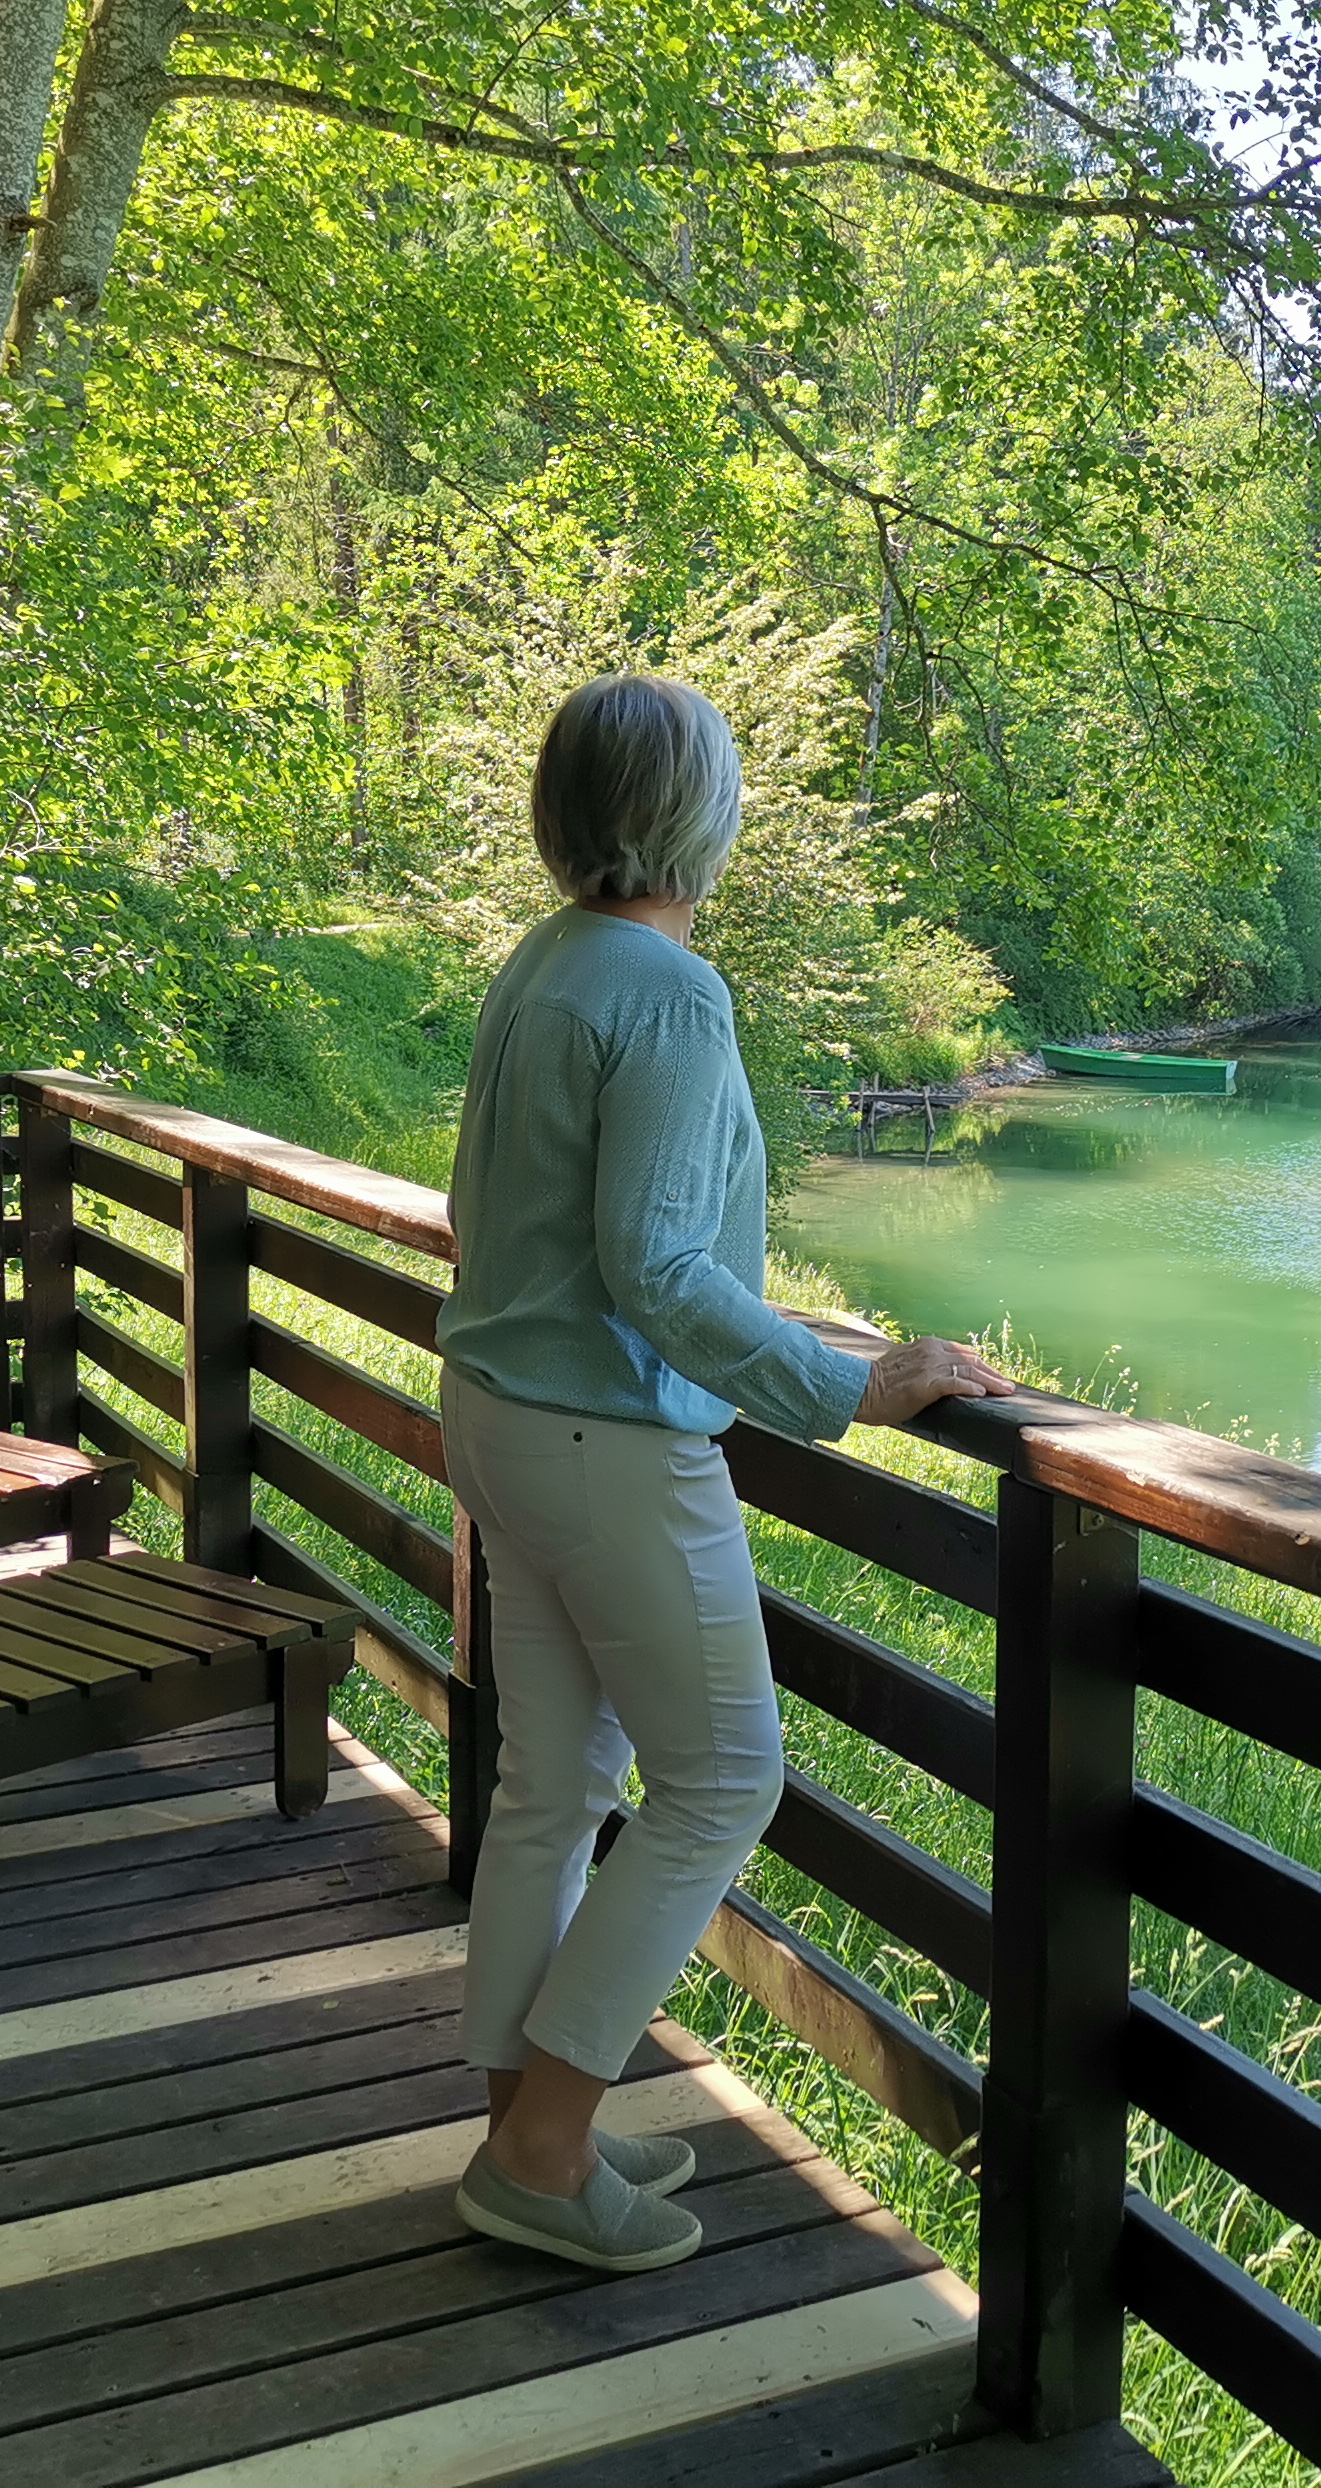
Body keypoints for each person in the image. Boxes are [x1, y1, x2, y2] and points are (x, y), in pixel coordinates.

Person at [437, 671, 1015, 2274]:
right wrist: (851, 1387)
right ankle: (544, 2151)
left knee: (553, 1788)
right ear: (703, 815)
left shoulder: (543, 961)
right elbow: (659, 1273)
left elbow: (513, 1217)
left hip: (494, 1404)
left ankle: (519, 2130)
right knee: (722, 1781)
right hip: (607, 1438)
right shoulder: (671, 991)